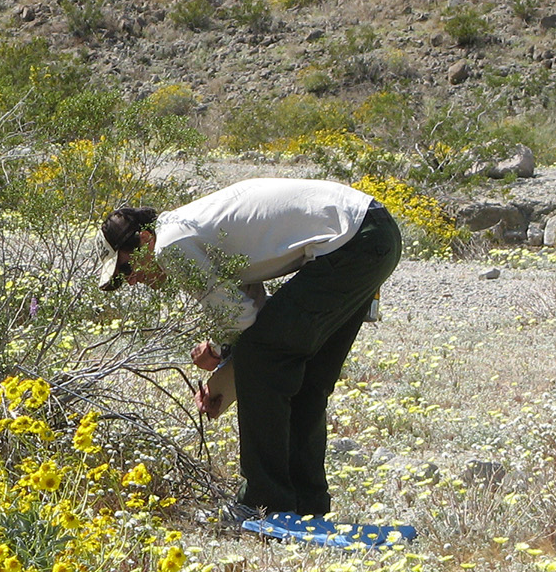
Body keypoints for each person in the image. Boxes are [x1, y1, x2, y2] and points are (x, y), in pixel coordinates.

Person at [99, 179, 401, 523]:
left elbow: (241, 321)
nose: (132, 280)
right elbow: (252, 310)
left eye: (125, 268)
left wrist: (215, 350)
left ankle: (263, 503)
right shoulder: (193, 229)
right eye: (123, 279)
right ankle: (306, 504)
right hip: (375, 233)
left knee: (263, 356)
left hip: (352, 242)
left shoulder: (170, 245)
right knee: (308, 377)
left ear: (142, 240)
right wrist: (224, 373)